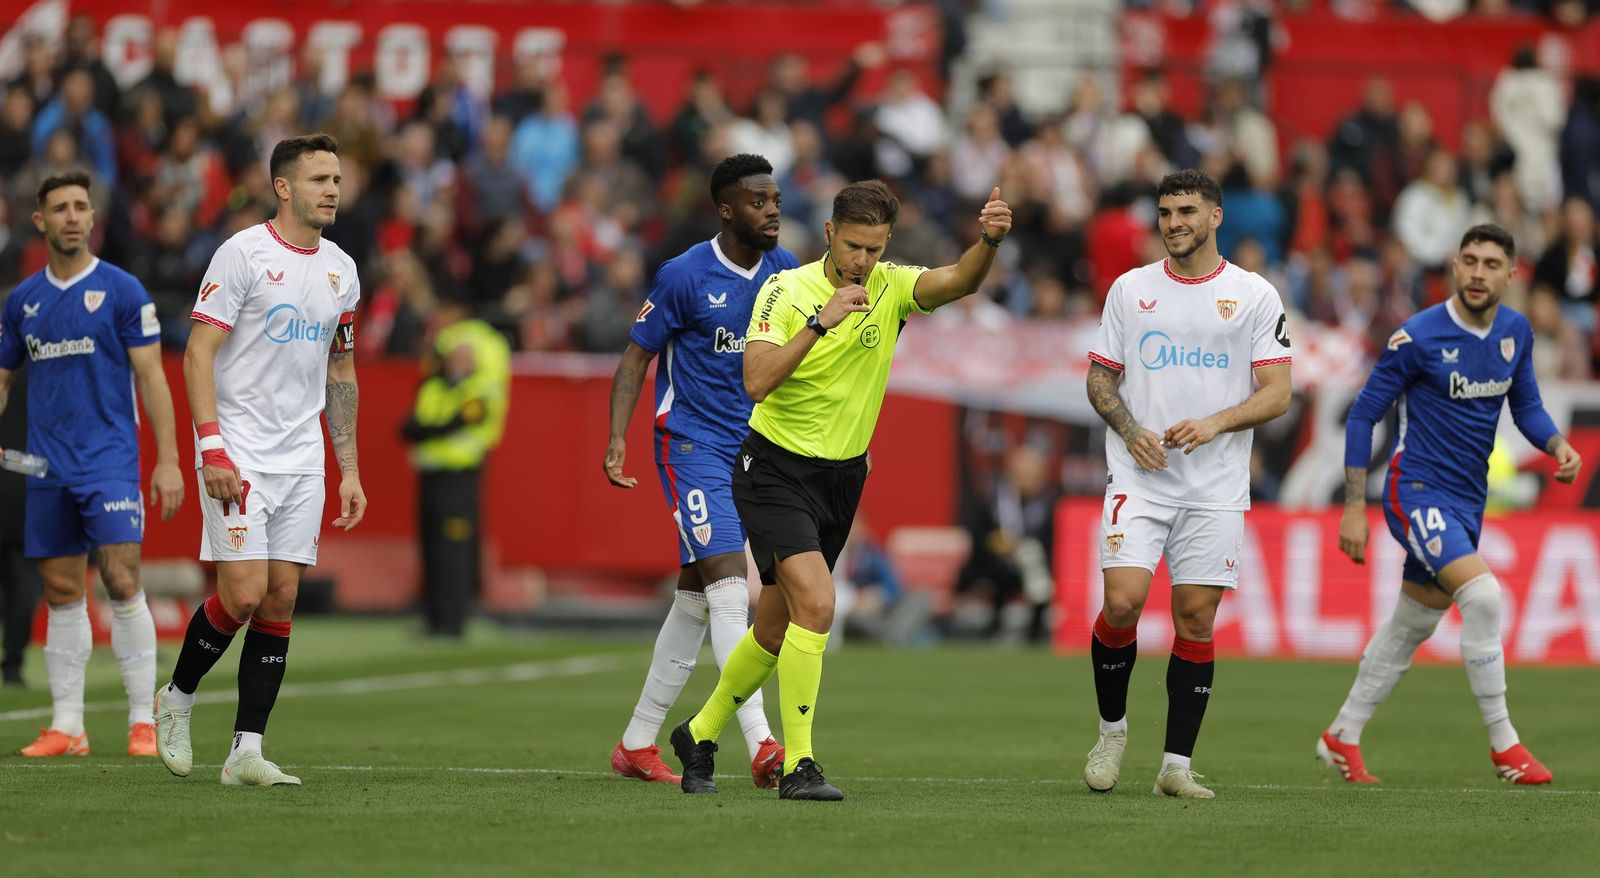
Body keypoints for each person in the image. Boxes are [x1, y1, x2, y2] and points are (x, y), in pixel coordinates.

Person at [669, 179, 1013, 800]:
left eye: (876, 250)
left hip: (841, 478)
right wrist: (819, 325)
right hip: (773, 469)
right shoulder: (786, 289)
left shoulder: (892, 288)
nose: (863, 262)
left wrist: (987, 239)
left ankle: (699, 733)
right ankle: (798, 765)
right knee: (819, 607)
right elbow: (755, 381)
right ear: (830, 234)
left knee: (775, 628)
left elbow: (961, 281)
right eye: (854, 247)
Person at [1320, 224, 1578, 786]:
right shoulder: (1417, 338)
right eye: (1469, 261)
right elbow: (1364, 414)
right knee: (1484, 596)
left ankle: (1342, 733)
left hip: (1467, 501)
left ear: (1512, 274)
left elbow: (1527, 406)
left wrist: (1556, 443)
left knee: (1411, 624)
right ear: (1453, 268)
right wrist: (1354, 507)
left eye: (1491, 263)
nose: (1479, 272)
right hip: (1414, 491)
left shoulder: (1515, 332)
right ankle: (1504, 745)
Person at [153, 134, 367, 787]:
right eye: (320, 179)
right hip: (238, 444)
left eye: (337, 178)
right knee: (242, 593)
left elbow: (342, 367)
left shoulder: (343, 270)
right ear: (283, 187)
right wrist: (211, 444)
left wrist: (348, 466)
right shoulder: (241, 253)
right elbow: (198, 353)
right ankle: (177, 696)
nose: (333, 189)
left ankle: (246, 750)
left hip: (302, 451)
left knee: (281, 596)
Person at [1082, 169, 1293, 799]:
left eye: (1187, 211)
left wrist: (1215, 423)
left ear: (1216, 217)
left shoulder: (1254, 295)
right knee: (1122, 603)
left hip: (1215, 485)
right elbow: (1099, 379)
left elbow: (1279, 392)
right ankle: (1112, 730)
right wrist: (1129, 427)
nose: (1174, 222)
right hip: (1140, 475)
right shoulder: (1130, 289)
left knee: (1195, 620)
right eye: (1166, 212)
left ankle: (1175, 765)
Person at [603, 154, 797, 788]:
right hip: (691, 445)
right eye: (758, 201)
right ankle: (762, 743)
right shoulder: (684, 275)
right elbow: (636, 360)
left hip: (756, 451)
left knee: (693, 597)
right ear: (726, 209)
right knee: (730, 586)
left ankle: (637, 741)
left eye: (775, 199)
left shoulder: (786, 272)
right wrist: (615, 441)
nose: (772, 209)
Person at [0, 170, 185, 755]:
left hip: (109, 462)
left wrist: (169, 462)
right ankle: (68, 726)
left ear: (93, 218)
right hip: (45, 466)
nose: (73, 216)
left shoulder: (124, 290)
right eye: (61, 208)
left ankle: (141, 720)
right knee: (59, 590)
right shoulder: (23, 302)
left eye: (81, 206)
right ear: (41, 221)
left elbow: (153, 379)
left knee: (123, 579)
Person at [400, 295, 511, 638]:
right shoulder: (444, 375)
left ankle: (453, 619)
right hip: (434, 466)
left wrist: (425, 430)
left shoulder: (474, 371)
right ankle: (437, 618)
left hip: (460, 469)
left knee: (452, 548)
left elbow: (463, 412)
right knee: (435, 547)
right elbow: (417, 417)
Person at [0, 366, 42, 688]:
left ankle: (14, 662)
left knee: (22, 583)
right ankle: (13, 664)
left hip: (19, 491)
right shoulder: (40, 370)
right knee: (23, 583)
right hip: (26, 488)